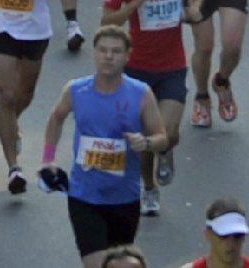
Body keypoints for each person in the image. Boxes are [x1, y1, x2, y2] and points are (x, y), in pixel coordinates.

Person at [39, 24, 169, 261]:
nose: (108, 56)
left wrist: (146, 143)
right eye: (103, 50)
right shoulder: (76, 90)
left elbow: (162, 137)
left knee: (118, 264)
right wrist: (48, 159)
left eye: (116, 51)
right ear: (94, 53)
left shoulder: (141, 93)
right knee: (97, 263)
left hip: (125, 197)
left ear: (127, 56)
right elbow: (56, 118)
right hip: (84, 196)